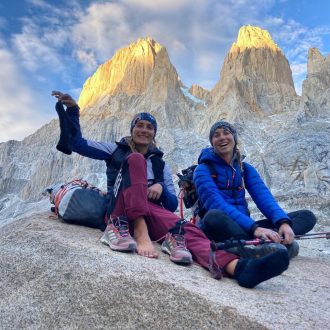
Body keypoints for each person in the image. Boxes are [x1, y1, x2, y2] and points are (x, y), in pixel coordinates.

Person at [51, 92, 290, 288]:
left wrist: (159, 188)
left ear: (154, 133)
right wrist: (73, 111)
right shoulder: (115, 149)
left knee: (187, 229)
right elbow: (78, 144)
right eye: (139, 126)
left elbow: (172, 204)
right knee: (134, 160)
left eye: (149, 127)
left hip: (150, 210)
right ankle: (141, 233)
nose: (144, 130)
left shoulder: (159, 163)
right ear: (132, 129)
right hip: (118, 211)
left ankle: (238, 268)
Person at [193, 120, 317, 259]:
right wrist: (254, 228)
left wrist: (283, 222)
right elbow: (215, 204)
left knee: (306, 216)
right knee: (213, 216)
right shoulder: (202, 170)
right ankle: (267, 246)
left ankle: (257, 245)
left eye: (226, 133)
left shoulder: (244, 168)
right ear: (212, 142)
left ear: (234, 138)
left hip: (245, 228)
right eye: (216, 135)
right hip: (222, 227)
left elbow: (263, 197)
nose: (222, 137)